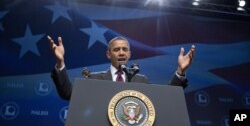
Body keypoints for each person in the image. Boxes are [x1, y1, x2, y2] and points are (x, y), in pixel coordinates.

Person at [47, 36, 195, 100]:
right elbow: (68, 93)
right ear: (108, 54)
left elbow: (165, 99)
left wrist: (180, 71)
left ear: (129, 54)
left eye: (125, 49)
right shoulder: (94, 78)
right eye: (116, 50)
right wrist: (60, 63)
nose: (121, 52)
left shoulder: (140, 80)